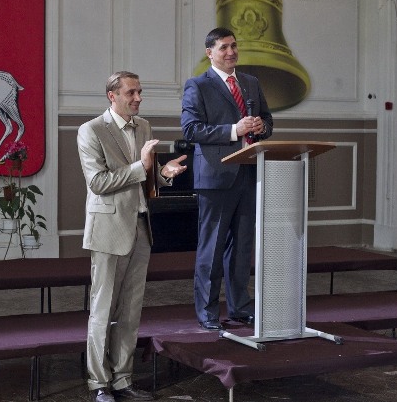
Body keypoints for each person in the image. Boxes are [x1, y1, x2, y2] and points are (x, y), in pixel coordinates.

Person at [78, 71, 187, 402]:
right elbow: (98, 183)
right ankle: (99, 383)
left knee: (130, 311)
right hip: (108, 229)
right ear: (112, 96)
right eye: (131, 93)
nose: (138, 98)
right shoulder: (91, 130)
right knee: (103, 310)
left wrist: (163, 174)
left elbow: (147, 181)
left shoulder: (144, 127)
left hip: (141, 227)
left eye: (140, 92)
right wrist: (142, 166)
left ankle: (123, 380)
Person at [181, 27, 273, 331]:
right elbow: (191, 130)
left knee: (242, 246)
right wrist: (235, 130)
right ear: (210, 53)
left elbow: (268, 121)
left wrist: (260, 126)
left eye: (234, 46)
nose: (231, 52)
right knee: (212, 247)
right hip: (216, 176)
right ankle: (207, 312)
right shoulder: (198, 85)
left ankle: (240, 307)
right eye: (224, 47)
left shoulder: (250, 82)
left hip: (248, 172)